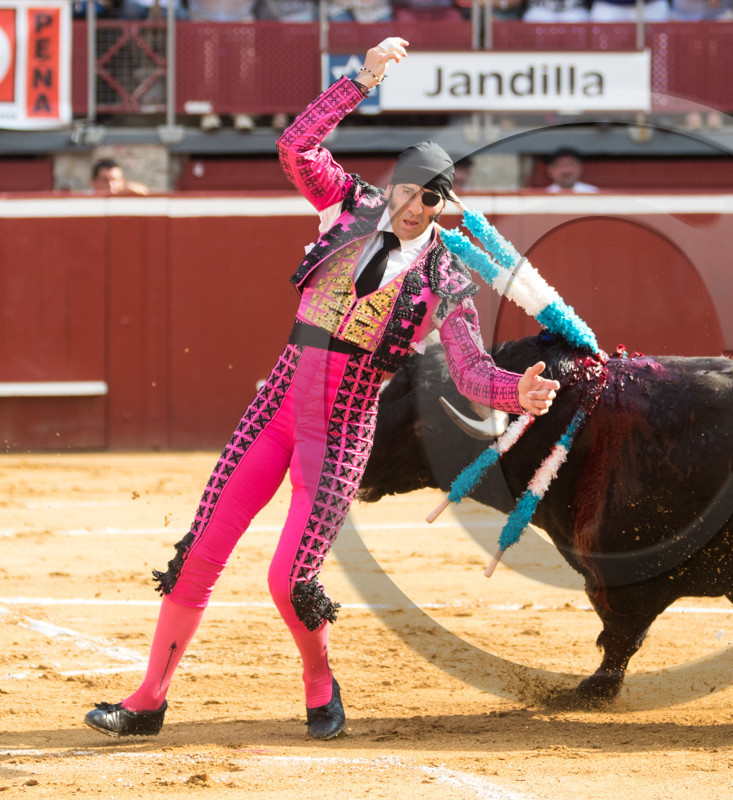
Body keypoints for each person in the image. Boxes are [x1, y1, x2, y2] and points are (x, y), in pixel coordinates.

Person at [83, 36, 561, 742]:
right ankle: (148, 699)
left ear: (441, 205)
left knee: (288, 581)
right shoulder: (346, 207)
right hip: (275, 407)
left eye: (431, 198)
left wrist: (516, 392)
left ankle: (318, 681)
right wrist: (359, 80)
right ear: (393, 184)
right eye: (409, 189)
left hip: (340, 432)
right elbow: (296, 147)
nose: (414, 205)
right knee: (200, 553)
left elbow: (468, 370)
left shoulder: (445, 280)